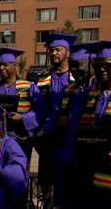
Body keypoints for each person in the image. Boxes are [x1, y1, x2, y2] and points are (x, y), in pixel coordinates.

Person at [70, 41, 111, 208]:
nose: (102, 69)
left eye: (108, 65)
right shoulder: (88, 95)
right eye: (98, 65)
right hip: (90, 165)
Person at [34, 33, 77, 208]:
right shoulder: (42, 80)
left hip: (69, 136)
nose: (53, 53)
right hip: (48, 137)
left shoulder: (77, 79)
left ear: (67, 52)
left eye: (58, 50)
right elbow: (37, 108)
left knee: (67, 178)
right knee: (46, 180)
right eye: (51, 50)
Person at [50, 43, 95, 207]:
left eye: (78, 66)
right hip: (66, 151)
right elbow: (59, 119)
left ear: (91, 64)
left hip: (87, 154)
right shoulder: (70, 90)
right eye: (72, 66)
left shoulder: (97, 91)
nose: (74, 70)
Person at [0, 47, 42, 158]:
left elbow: (39, 110)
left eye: (6, 65)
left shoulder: (28, 87)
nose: (2, 68)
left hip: (20, 138)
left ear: (15, 66)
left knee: (19, 171)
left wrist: (23, 118)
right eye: (0, 65)